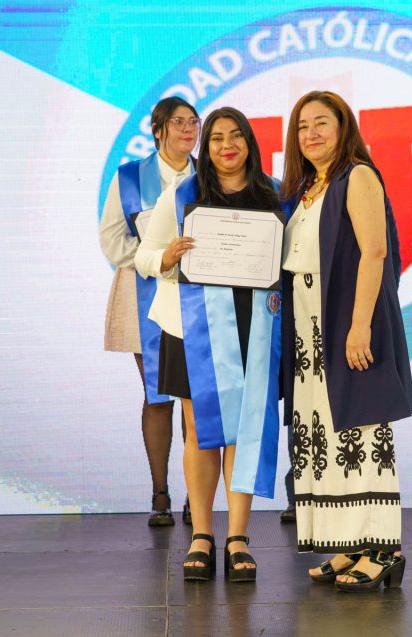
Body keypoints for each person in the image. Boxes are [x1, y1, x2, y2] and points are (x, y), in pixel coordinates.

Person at [136, 107, 285, 582]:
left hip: (254, 325)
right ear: (207, 146)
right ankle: (202, 535)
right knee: (199, 430)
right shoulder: (183, 193)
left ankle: (238, 538)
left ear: (249, 143)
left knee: (243, 428)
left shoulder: (275, 194)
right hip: (192, 328)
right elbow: (143, 256)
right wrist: (167, 255)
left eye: (236, 135)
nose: (227, 145)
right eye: (217, 137)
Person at [279, 91, 412, 592]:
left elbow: (374, 252)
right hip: (309, 332)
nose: (310, 133)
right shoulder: (307, 188)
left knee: (362, 432)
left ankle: (383, 548)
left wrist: (360, 326)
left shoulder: (357, 175)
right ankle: (350, 542)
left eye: (321, 123)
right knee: (326, 436)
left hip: (345, 322)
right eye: (302, 126)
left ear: (343, 127)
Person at [99, 96, 198, 526]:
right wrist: (157, 259)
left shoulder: (209, 175)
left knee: (196, 397)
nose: (188, 129)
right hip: (142, 291)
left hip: (199, 295)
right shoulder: (129, 178)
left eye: (193, 122)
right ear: (157, 130)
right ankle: (160, 494)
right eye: (178, 122)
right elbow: (111, 240)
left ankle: (197, 494)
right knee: (158, 394)